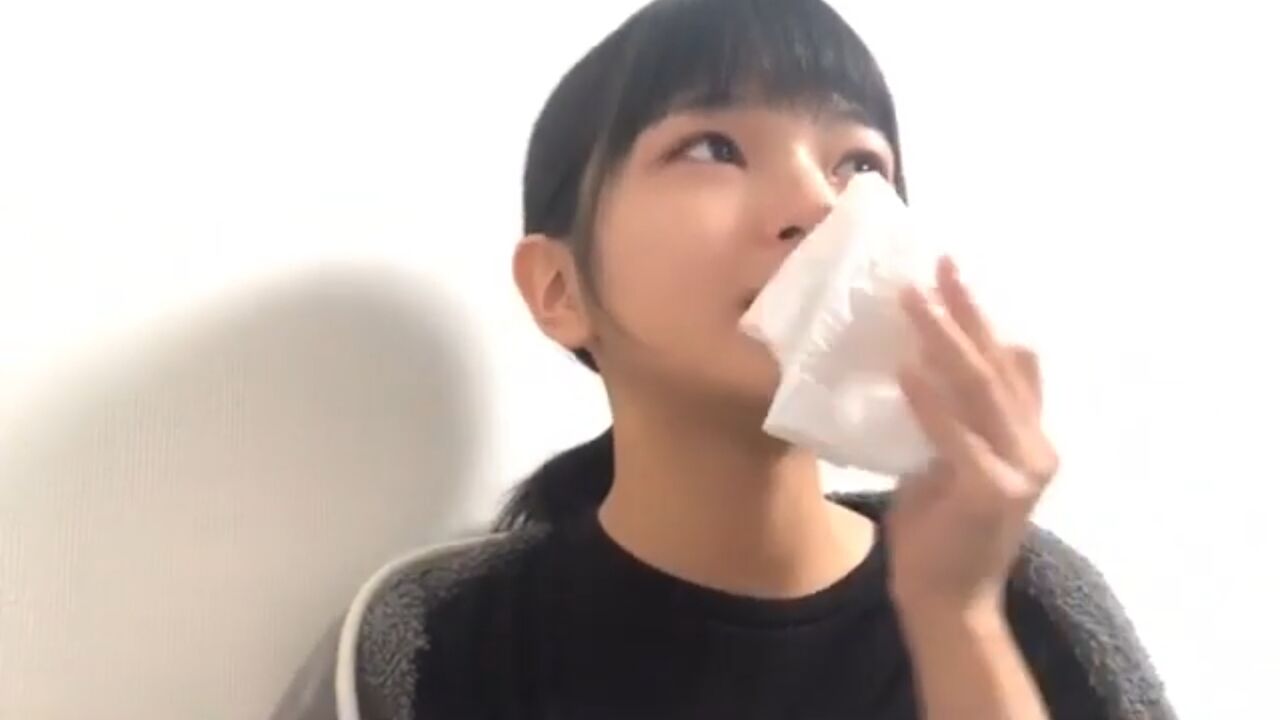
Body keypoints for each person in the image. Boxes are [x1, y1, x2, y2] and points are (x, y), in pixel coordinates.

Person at [273, 0, 1174, 718]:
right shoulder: (443, 646)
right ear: (559, 287)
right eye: (713, 147)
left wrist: (959, 619)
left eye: (860, 166)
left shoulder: (1024, 600)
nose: (817, 206)